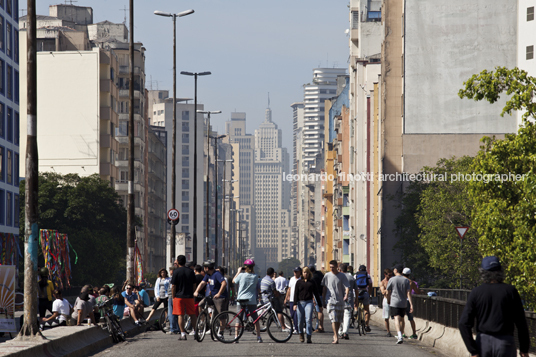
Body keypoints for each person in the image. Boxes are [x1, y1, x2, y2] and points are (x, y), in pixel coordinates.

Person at [459, 256, 530, 357]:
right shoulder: (510, 291)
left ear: (482, 272)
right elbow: (521, 323)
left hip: (483, 344)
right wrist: (524, 348)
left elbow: (463, 324)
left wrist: (473, 350)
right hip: (505, 343)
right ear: (500, 271)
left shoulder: (476, 292)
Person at [233, 259, 262, 343]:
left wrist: (238, 272)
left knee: (238, 319)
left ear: (245, 267)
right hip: (251, 300)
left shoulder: (241, 275)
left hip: (241, 299)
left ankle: (236, 337)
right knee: (255, 319)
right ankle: (259, 337)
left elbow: (233, 281)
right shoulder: (255, 276)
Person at [322, 260, 349, 344]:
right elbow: (324, 288)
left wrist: (346, 295)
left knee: (338, 320)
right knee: (333, 319)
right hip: (330, 300)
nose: (331, 269)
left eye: (333, 267)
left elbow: (347, 287)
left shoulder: (342, 276)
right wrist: (323, 299)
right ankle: (336, 337)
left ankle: (335, 333)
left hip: (340, 301)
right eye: (330, 267)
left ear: (337, 267)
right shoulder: (327, 275)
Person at [171, 255, 198, 341]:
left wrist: (173, 296)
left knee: (180, 315)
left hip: (179, 297)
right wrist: (193, 293)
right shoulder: (191, 271)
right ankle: (195, 332)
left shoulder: (176, 272)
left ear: (178, 262)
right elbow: (194, 284)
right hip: (189, 296)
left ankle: (183, 334)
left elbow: (173, 286)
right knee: (192, 314)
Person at [293, 267, 322, 344]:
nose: (305, 274)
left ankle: (309, 336)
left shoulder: (312, 282)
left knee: (308, 319)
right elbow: (296, 294)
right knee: (300, 321)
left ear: (309, 273)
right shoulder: (299, 282)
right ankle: (301, 334)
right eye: (304, 272)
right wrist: (295, 304)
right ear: (302, 273)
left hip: (309, 302)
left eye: (307, 272)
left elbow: (316, 294)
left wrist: (320, 305)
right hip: (300, 303)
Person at [386, 264, 413, 344]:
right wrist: (411, 304)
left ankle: (399, 335)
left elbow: (388, 291)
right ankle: (401, 333)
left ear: (396, 270)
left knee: (396, 318)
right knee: (402, 319)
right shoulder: (406, 280)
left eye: (394, 270)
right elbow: (408, 293)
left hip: (394, 302)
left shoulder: (392, 279)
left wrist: (388, 300)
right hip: (403, 302)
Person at [338, 264, 357, 340]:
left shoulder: (338, 277)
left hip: (339, 299)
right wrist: (356, 300)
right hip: (349, 299)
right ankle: (345, 332)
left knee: (339, 316)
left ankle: (340, 331)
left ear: (340, 270)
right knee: (347, 315)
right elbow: (356, 289)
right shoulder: (351, 277)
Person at [401, 267, 422, 339]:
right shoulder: (411, 282)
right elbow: (417, 291)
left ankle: (402, 333)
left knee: (401, 318)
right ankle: (414, 333)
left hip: (401, 300)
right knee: (411, 318)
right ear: (409, 274)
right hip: (408, 301)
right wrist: (421, 291)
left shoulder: (400, 281)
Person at [354, 264, 373, 332]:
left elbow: (353, 285)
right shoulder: (367, 276)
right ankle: (367, 325)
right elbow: (370, 286)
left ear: (358, 270)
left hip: (357, 293)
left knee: (355, 303)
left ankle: (355, 310)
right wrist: (369, 294)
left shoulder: (355, 275)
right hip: (365, 292)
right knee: (366, 309)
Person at [285, 267, 302, 334]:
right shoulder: (292, 279)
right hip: (291, 299)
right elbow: (289, 289)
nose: (295, 273)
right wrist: (286, 298)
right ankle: (296, 327)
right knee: (292, 314)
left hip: (298, 300)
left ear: (299, 272)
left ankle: (296, 328)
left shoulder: (301, 279)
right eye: (294, 271)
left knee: (296, 315)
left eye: (296, 271)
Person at [309, 265, 325, 333]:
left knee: (319, 311)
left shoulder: (313, 277)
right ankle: (321, 326)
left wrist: (312, 297)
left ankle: (320, 327)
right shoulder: (320, 274)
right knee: (320, 310)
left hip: (317, 295)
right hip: (321, 294)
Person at [379, 268, 393, 337]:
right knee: (386, 317)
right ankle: (388, 331)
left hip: (393, 300)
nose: (390, 276)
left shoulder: (393, 281)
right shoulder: (382, 282)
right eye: (389, 275)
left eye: (391, 275)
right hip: (386, 300)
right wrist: (387, 290)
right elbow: (382, 292)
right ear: (385, 274)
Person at [167, 265, 179, 335]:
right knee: (177, 313)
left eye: (170, 270)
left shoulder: (172, 278)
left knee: (171, 313)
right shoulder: (178, 278)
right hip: (177, 297)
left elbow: (172, 288)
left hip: (172, 297)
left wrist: (171, 296)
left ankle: (173, 328)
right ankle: (177, 328)